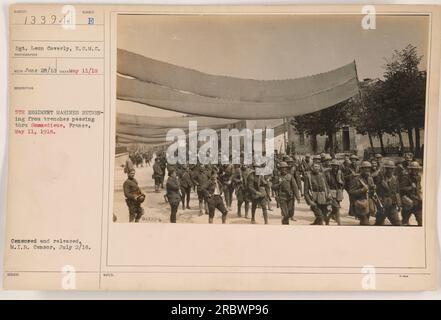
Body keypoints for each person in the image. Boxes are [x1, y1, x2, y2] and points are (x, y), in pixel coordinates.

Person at [348, 161, 376, 226]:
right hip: (360, 203)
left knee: (365, 221)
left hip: (368, 203)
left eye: (368, 168)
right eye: (365, 168)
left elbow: (371, 191)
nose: (367, 170)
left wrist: (373, 188)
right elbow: (351, 192)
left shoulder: (370, 178)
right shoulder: (356, 179)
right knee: (365, 222)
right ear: (361, 169)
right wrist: (362, 190)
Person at [374, 160, 401, 226]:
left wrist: (399, 203)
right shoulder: (379, 178)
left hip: (392, 204)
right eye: (388, 168)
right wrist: (379, 170)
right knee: (379, 223)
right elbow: (373, 178)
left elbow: (397, 192)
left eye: (391, 169)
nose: (390, 170)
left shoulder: (395, 179)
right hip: (382, 204)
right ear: (385, 169)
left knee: (397, 223)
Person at [399, 161, 423, 226]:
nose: (415, 170)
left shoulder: (418, 177)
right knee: (405, 221)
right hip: (408, 202)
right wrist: (411, 187)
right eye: (413, 169)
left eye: (416, 169)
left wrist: (420, 196)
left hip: (417, 202)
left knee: (421, 220)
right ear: (411, 169)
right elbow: (401, 188)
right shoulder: (405, 177)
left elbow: (419, 188)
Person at [325, 159, 344, 225]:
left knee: (334, 208)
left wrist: (340, 182)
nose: (335, 167)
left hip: (338, 192)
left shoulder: (340, 173)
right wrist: (328, 192)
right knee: (335, 207)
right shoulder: (327, 173)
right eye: (334, 166)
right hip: (330, 192)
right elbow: (325, 183)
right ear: (331, 166)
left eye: (336, 166)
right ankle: (339, 222)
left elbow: (343, 183)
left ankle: (327, 220)